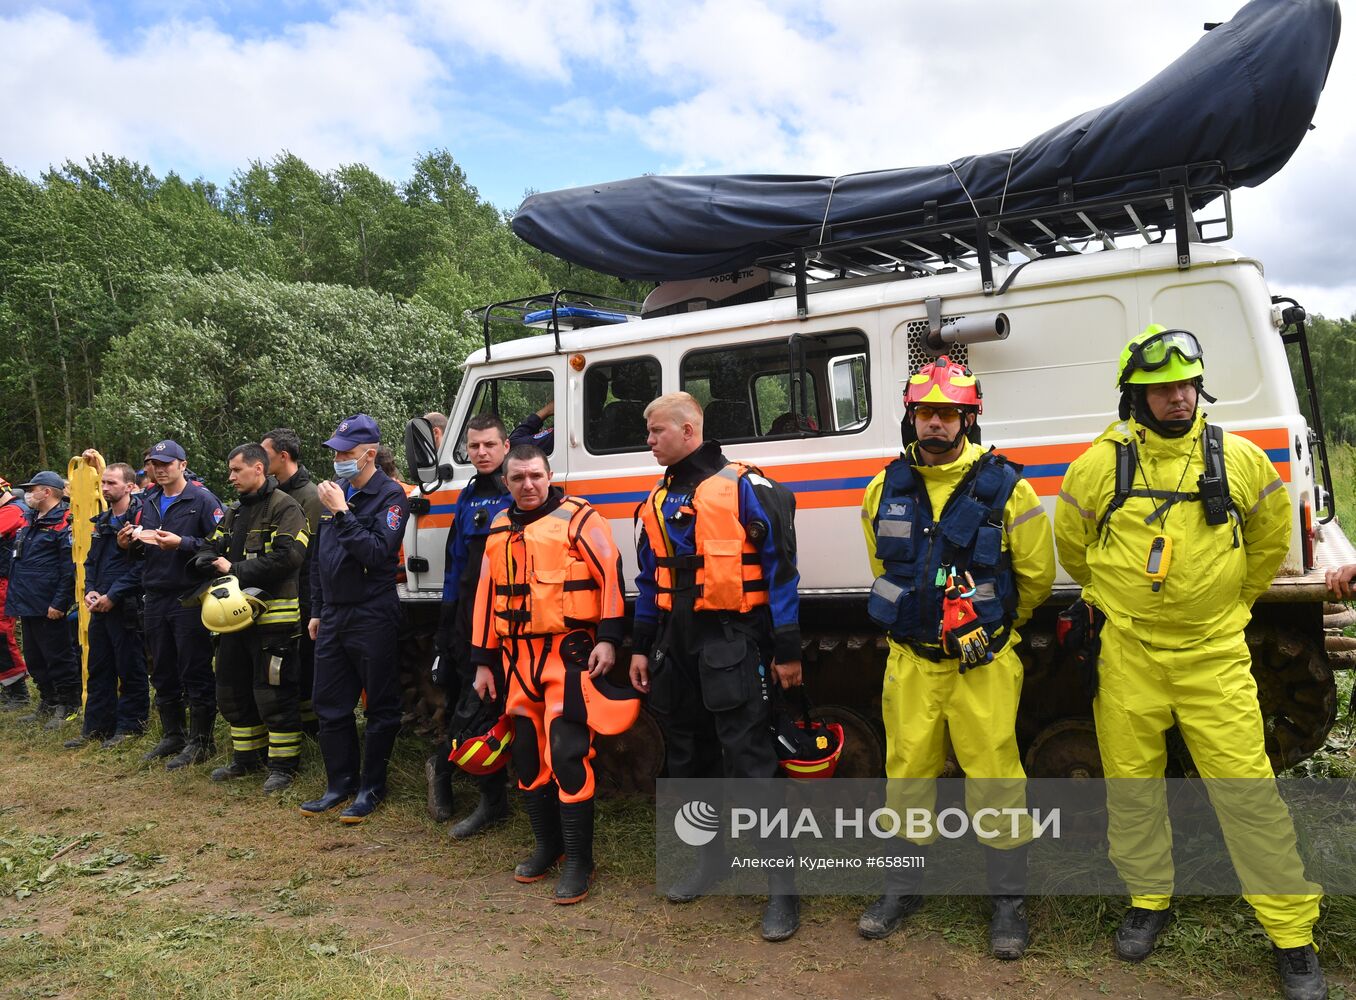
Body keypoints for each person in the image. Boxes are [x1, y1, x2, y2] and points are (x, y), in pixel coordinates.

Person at [1055, 325, 1325, 1000]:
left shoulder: (1238, 458)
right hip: (1129, 655)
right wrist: (1123, 599)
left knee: (1249, 796)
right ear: (1135, 396)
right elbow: (1074, 550)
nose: (1178, 398)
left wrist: (1226, 600)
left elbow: (1267, 542)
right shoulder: (1098, 465)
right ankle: (1149, 901)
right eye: (1161, 389)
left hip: (1214, 656)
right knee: (1134, 790)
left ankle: (1293, 937)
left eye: (1186, 384)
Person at [856, 356, 1054, 958]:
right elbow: (881, 564)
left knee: (995, 777)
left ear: (968, 417)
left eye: (947, 414)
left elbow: (1037, 576)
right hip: (912, 662)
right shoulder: (883, 487)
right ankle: (902, 889)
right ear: (911, 418)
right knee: (907, 775)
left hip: (983, 665)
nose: (935, 424)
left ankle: (1008, 905)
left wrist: (990, 633)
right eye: (925, 413)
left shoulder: (1007, 488)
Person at [628, 391, 805, 942]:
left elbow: (781, 572)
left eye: (657, 432)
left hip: (732, 639)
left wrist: (788, 650)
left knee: (750, 760)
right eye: (649, 432)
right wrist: (640, 645)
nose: (650, 441)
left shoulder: (747, 488)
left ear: (688, 430)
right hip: (674, 644)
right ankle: (710, 862)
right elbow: (647, 582)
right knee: (686, 758)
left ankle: (783, 887)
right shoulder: (656, 501)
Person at [468, 444, 629, 903]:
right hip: (517, 662)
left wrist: (609, 639)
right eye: (518, 478)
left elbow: (611, 580)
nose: (528, 485)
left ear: (549, 473)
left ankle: (580, 860)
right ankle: (547, 847)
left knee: (567, 752)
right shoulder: (499, 527)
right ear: (506, 482)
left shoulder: (581, 519)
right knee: (526, 756)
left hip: (568, 657)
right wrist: (482, 660)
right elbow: (486, 594)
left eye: (535, 475)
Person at [300, 415, 410, 823]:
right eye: (335, 453)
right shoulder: (336, 494)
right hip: (333, 614)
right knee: (329, 703)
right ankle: (339, 784)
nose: (339, 459)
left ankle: (371, 787)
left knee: (380, 705)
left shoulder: (391, 496)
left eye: (346, 452)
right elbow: (318, 558)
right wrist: (317, 609)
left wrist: (343, 513)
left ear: (369, 454)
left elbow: (378, 552)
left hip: (372, 612)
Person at [195, 443, 308, 792]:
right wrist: (202, 558)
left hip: (274, 621)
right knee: (231, 691)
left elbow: (290, 556)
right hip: (231, 620)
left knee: (273, 695)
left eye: (236, 470)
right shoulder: (233, 512)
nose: (230, 477)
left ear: (258, 469)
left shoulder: (285, 507)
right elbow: (210, 544)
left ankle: (283, 766)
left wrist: (236, 569)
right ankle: (247, 759)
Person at [427, 414, 513, 836]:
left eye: (489, 446)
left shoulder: (520, 489)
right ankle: (464, 783)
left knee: (509, 709)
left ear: (506, 447)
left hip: (515, 618)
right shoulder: (467, 496)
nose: (481, 453)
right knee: (470, 703)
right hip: (468, 618)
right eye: (474, 446)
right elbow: (455, 563)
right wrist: (446, 627)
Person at [120, 440, 225, 770]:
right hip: (155, 595)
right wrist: (128, 543)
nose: (160, 468)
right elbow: (143, 550)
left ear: (183, 464)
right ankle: (172, 735)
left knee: (194, 668)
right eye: (155, 463)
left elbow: (220, 543)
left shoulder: (203, 499)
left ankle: (201, 741)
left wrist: (183, 544)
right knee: (162, 668)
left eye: (167, 463)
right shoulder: (149, 500)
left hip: (189, 594)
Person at [72, 462, 150, 748]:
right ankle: (97, 727)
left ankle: (131, 726)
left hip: (127, 606)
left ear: (130, 486)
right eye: (103, 483)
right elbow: (91, 562)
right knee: (99, 667)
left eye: (112, 483)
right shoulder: (102, 522)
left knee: (130, 668)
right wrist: (90, 591)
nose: (105, 488)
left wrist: (113, 595)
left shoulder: (141, 520)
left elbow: (142, 567)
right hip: (100, 607)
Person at [5, 471, 80, 727]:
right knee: (35, 659)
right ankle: (48, 701)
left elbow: (68, 569)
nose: (27, 494)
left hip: (48, 603)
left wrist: (59, 603)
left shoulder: (64, 521)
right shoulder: (30, 518)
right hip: (26, 600)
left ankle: (68, 704)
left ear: (46, 492)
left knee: (58, 656)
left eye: (32, 489)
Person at [262, 428, 322, 736]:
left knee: (305, 666)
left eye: (266, 454)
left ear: (283, 457)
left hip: (301, 595)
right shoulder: (271, 493)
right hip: (278, 595)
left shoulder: (309, 497)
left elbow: (310, 557)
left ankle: (310, 729)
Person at [0, 477, 31, 709]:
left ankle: (18, 692)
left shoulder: (13, 511)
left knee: (2, 634)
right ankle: (9, 687)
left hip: (6, 581)